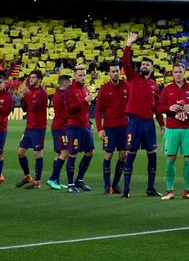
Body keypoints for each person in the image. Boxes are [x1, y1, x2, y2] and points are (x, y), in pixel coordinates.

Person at [119, 33, 160, 198]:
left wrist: (162, 124)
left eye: (147, 64)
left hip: (149, 123)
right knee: (131, 155)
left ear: (152, 68)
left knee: (152, 155)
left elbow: (156, 107)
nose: (144, 66)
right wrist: (128, 45)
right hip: (134, 122)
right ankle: (126, 190)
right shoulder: (133, 77)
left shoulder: (155, 85)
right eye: (142, 63)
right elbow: (125, 62)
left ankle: (150, 188)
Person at [158, 63, 189, 200]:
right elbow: (159, 108)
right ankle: (169, 190)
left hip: (188, 129)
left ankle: (188, 190)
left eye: (180, 71)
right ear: (172, 73)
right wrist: (169, 108)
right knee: (171, 157)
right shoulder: (167, 90)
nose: (178, 74)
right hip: (172, 129)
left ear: (185, 73)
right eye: (175, 72)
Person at [96, 63, 129, 195]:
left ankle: (115, 185)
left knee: (123, 156)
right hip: (109, 128)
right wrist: (100, 129)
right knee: (108, 155)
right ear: (109, 74)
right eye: (113, 71)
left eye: (117, 71)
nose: (115, 73)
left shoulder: (126, 86)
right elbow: (97, 112)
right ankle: (106, 186)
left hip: (124, 128)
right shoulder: (104, 89)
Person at [66, 63, 95, 193]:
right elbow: (69, 109)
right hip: (74, 127)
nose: (82, 77)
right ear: (74, 76)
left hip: (85, 126)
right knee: (72, 154)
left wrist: (90, 123)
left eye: (84, 75)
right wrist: (84, 100)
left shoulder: (85, 88)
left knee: (90, 153)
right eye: (80, 75)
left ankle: (80, 180)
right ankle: (70, 184)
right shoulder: (70, 90)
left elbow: (85, 110)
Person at [15, 71, 48, 189]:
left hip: (39, 127)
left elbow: (34, 108)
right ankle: (27, 176)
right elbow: (25, 109)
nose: (31, 80)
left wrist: (27, 95)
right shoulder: (30, 91)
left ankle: (37, 181)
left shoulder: (42, 93)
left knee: (37, 154)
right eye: (30, 78)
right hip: (29, 127)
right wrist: (23, 96)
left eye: (33, 78)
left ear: (39, 79)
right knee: (20, 153)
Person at [46, 70, 73, 190]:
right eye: (70, 83)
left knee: (59, 153)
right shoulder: (61, 96)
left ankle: (55, 180)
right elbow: (69, 110)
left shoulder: (60, 94)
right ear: (66, 83)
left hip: (60, 126)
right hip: (60, 127)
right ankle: (52, 178)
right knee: (65, 152)